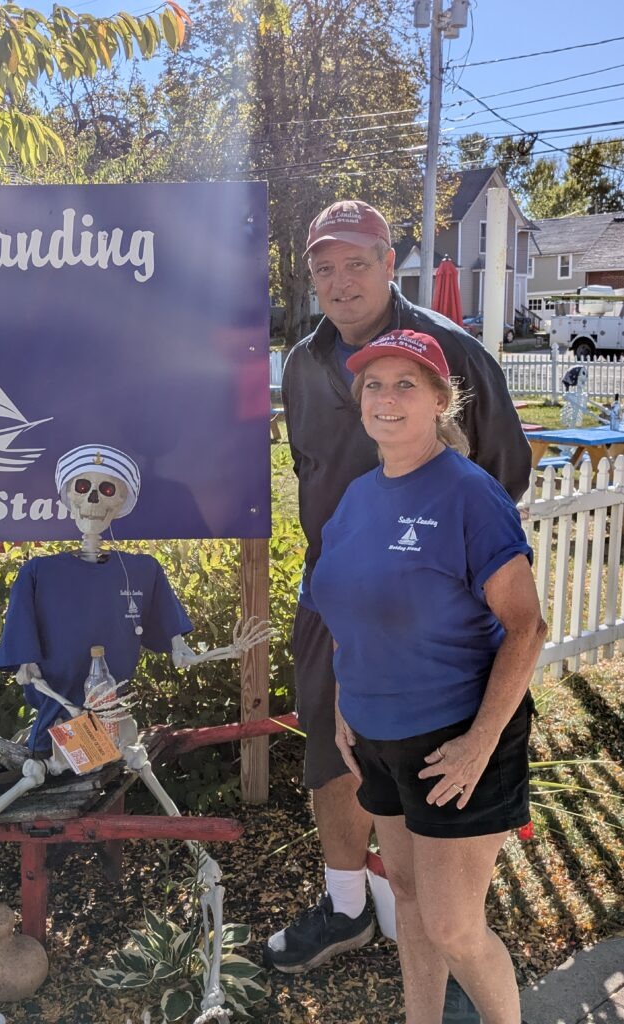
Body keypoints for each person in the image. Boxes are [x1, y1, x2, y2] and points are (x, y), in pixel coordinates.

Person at [264, 199, 532, 977]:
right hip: (334, 600)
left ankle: (450, 933)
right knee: (333, 749)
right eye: (324, 267)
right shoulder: (302, 363)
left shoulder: (451, 352)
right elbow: (310, 473)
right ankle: (348, 903)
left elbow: (502, 474)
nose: (341, 281)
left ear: (389, 264)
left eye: (357, 262)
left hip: (434, 610)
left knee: (441, 758)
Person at [310, 329, 545, 1022]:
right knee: (407, 900)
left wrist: (479, 744)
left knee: (453, 927)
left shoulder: (468, 495)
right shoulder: (357, 498)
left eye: (405, 384)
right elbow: (349, 609)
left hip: (456, 739)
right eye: (374, 385)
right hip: (378, 738)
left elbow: (526, 627)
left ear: (441, 400)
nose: (386, 398)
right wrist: (345, 702)